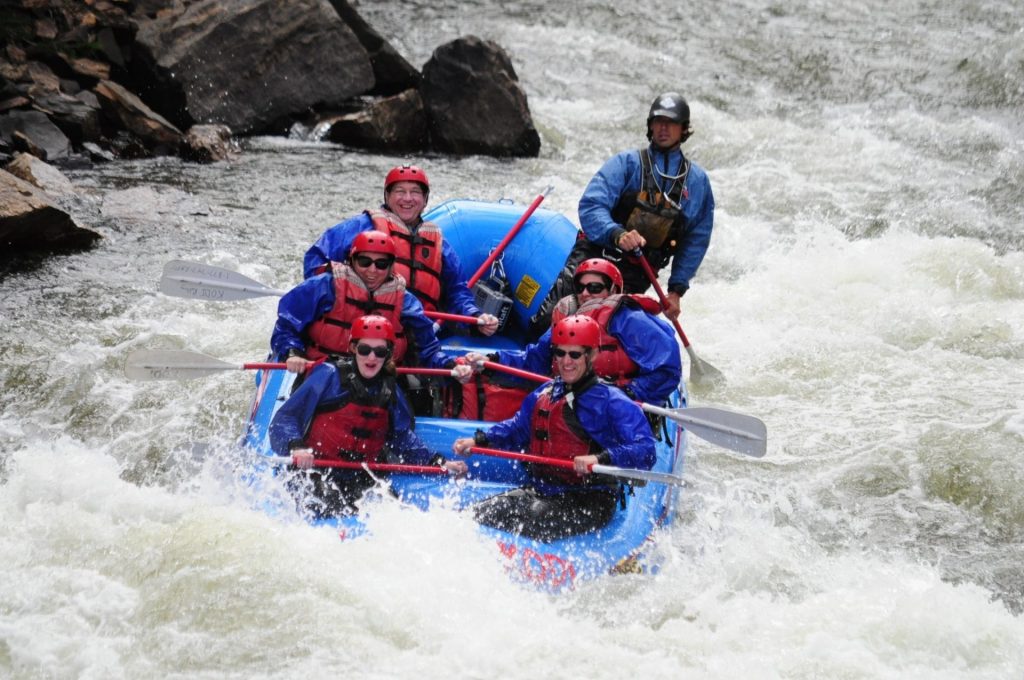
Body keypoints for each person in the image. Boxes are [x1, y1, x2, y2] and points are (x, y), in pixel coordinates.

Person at [451, 315, 656, 542]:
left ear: (592, 355)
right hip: (542, 491)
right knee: (471, 515)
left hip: (589, 499)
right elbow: (518, 429)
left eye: (575, 354)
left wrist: (601, 458)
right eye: (560, 353)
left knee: (535, 518)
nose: (566, 362)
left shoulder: (612, 401)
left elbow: (645, 450)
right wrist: (479, 441)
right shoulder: (545, 392)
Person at [528, 92, 714, 336]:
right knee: (548, 321)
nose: (663, 128)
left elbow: (695, 240)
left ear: (683, 129)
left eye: (671, 123)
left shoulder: (697, 182)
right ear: (650, 126)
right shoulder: (627, 163)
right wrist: (617, 234)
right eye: (658, 122)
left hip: (637, 271)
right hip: (595, 254)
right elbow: (592, 205)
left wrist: (675, 291)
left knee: (607, 333)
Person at [269, 315, 465, 517]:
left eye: (379, 352)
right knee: (332, 508)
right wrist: (297, 447)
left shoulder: (390, 389)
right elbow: (285, 419)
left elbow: (402, 438)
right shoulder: (328, 375)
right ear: (353, 348)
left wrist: (440, 463)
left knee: (395, 515)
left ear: (388, 353)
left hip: (361, 475)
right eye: (365, 350)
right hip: (315, 471)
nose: (371, 358)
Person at [303, 164, 499, 335]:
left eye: (415, 192)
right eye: (399, 191)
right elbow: (316, 261)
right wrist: (340, 289)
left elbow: (457, 291)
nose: (407, 198)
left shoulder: (439, 244)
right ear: (387, 196)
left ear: (425, 200)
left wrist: (475, 317)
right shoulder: (361, 226)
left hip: (418, 330)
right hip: (365, 326)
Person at [467, 258, 681, 406]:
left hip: (619, 405)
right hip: (572, 400)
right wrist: (491, 360)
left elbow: (667, 370)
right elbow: (535, 359)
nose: (586, 293)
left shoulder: (630, 319)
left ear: (613, 290)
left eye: (595, 287)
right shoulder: (568, 319)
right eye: (580, 287)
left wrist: (626, 394)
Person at [270, 230, 472, 383]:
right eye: (365, 261)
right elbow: (286, 325)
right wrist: (292, 353)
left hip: (379, 378)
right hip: (323, 372)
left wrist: (451, 365)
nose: (372, 270)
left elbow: (427, 349)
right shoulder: (324, 286)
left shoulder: (406, 302)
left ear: (391, 266)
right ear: (352, 261)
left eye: (381, 264)